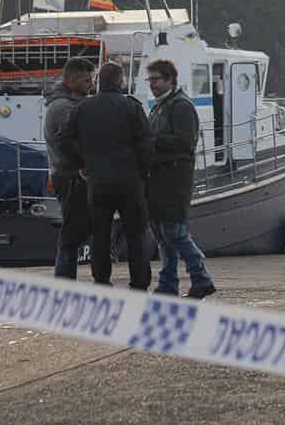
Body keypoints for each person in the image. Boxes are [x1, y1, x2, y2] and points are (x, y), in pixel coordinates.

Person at [61, 62, 155, 290]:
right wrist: (143, 172)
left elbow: (63, 139)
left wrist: (82, 162)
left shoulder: (83, 108)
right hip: (129, 182)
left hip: (98, 183)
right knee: (136, 235)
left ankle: (102, 280)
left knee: (100, 236)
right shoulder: (131, 107)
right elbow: (146, 144)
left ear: (99, 81)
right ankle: (139, 282)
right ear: (120, 81)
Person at [143, 58, 214, 299]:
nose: (151, 84)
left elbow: (185, 142)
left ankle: (201, 277)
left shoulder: (181, 106)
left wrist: (151, 142)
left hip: (174, 179)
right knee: (162, 234)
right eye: (149, 80)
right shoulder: (160, 106)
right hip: (159, 179)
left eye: (156, 79)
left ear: (170, 79)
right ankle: (168, 284)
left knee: (174, 232)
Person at [44, 57, 96, 279]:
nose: (91, 85)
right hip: (70, 177)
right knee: (71, 235)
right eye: (86, 80)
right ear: (72, 80)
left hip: (67, 175)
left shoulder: (63, 103)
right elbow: (68, 143)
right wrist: (87, 164)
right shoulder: (63, 108)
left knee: (72, 233)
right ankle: (64, 282)